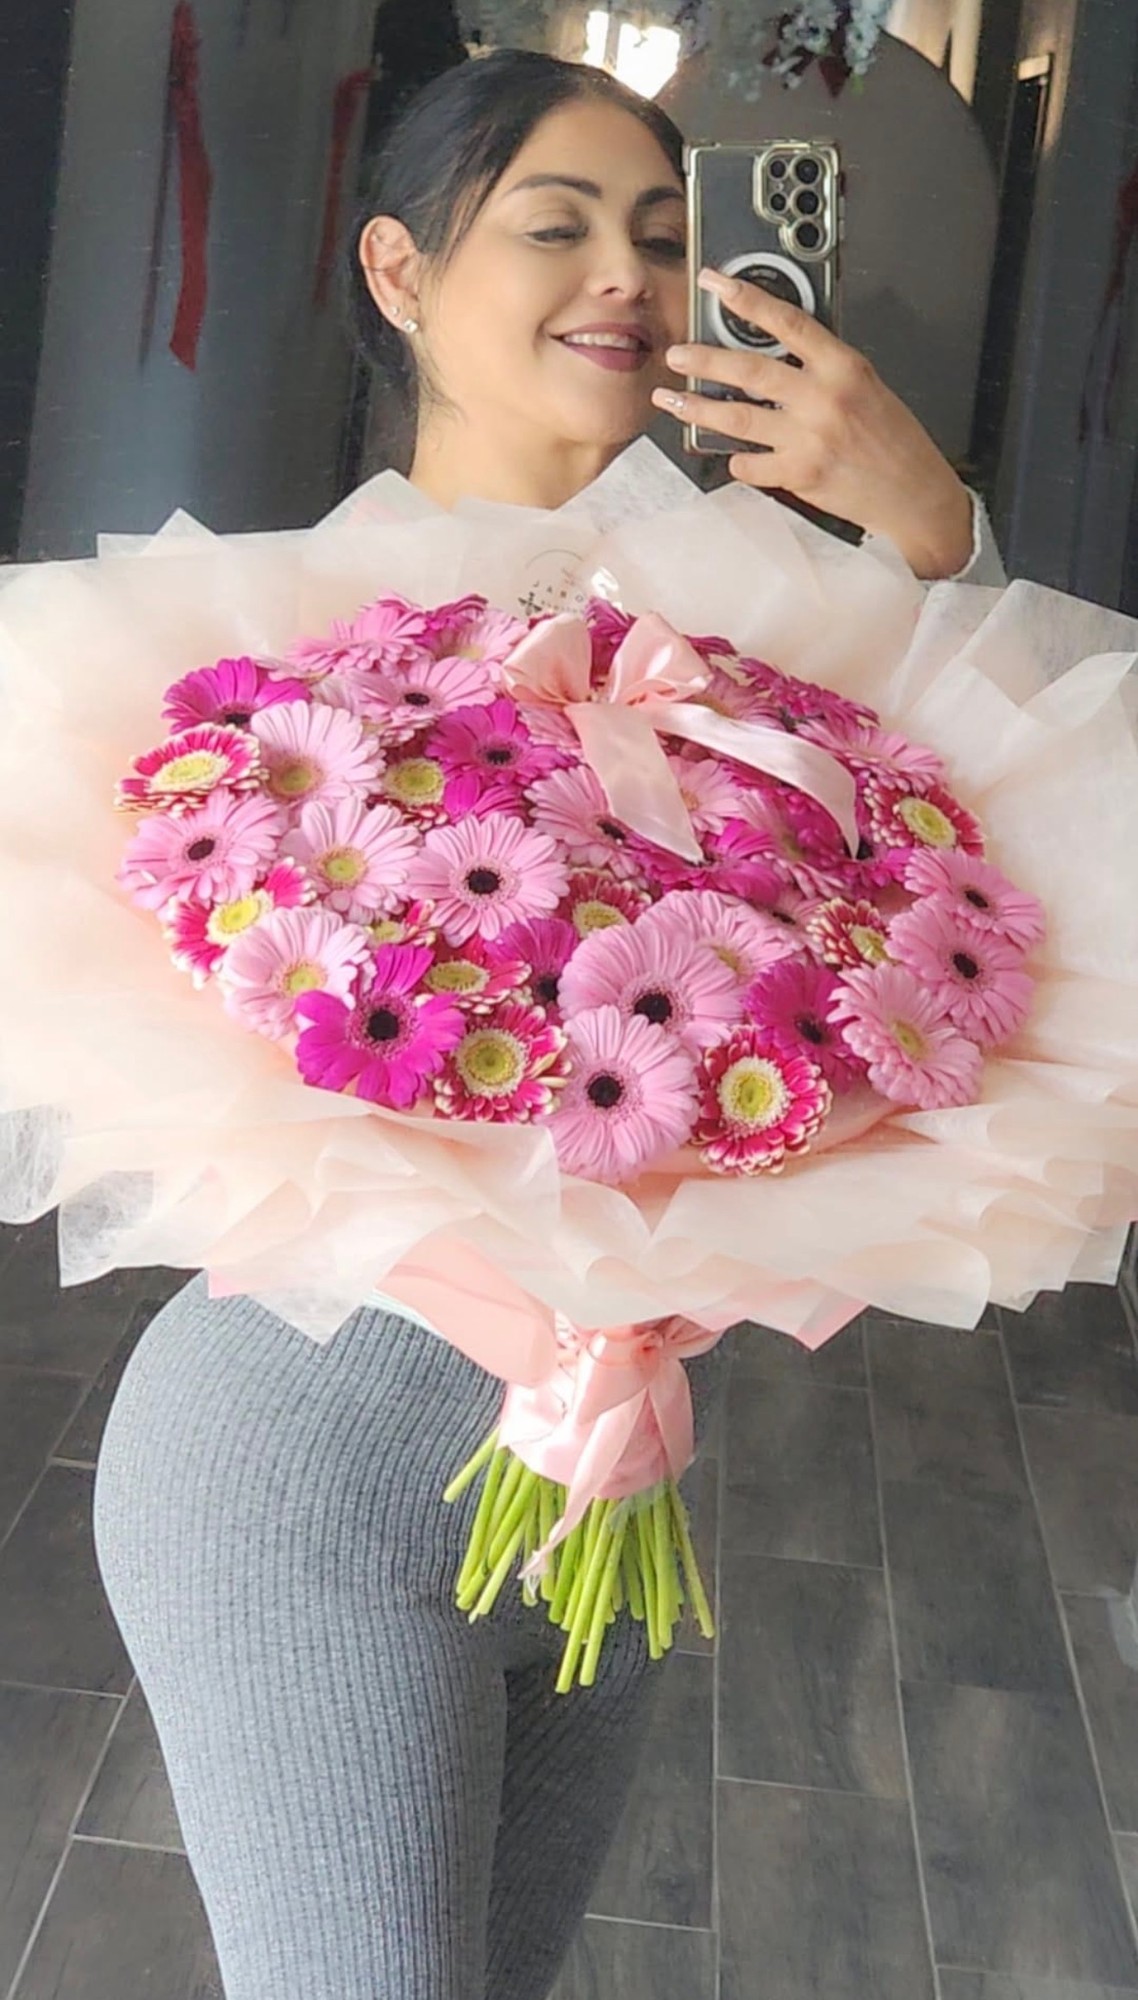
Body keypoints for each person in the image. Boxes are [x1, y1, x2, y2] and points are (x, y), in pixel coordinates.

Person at [91, 48, 1002, 2000]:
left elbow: (1039, 860)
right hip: (305, 1479)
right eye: (558, 222)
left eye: (662, 236)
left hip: (605, 1501)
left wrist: (932, 535)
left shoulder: (749, 631)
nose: (625, 277)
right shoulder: (287, 654)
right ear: (403, 273)